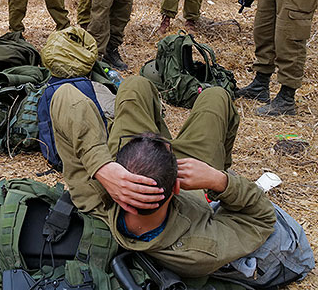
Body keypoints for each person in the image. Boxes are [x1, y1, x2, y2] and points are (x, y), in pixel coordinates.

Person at [50, 75, 277, 278]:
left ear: (118, 167)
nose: (155, 135)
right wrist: (219, 180)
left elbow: (64, 95)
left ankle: (143, 149)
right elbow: (263, 218)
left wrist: (101, 167)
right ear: (175, 188)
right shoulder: (198, 249)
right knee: (217, 96)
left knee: (135, 85)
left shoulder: (93, 196)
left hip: (144, 166)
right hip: (196, 178)